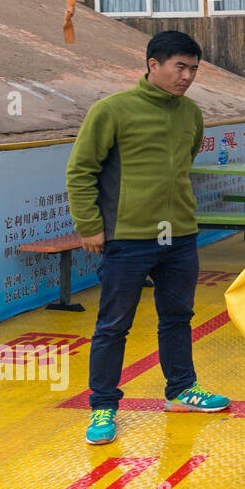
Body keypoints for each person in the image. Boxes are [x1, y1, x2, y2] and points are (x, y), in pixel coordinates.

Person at [67, 31, 230, 445]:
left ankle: (181, 390)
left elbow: (184, 161)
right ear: (153, 65)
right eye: (180, 67)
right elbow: (81, 170)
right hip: (128, 239)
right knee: (113, 325)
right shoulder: (112, 111)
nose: (188, 76)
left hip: (179, 237)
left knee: (178, 317)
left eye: (193, 69)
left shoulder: (190, 113)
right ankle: (103, 406)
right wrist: (89, 225)